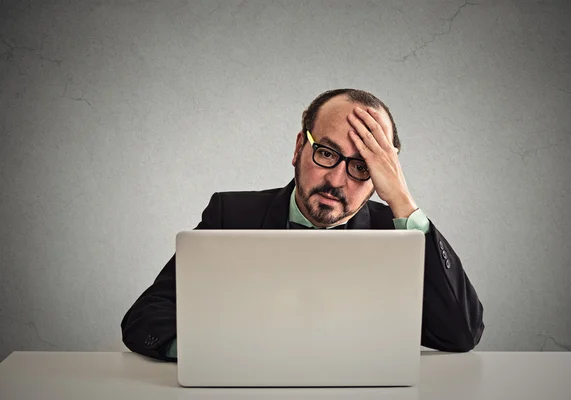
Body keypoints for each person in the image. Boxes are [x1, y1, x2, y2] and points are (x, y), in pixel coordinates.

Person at [121, 88, 485, 361]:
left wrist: (402, 201)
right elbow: (144, 318)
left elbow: (462, 333)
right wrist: (216, 353)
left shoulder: (396, 233)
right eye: (326, 153)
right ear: (299, 147)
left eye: (362, 167)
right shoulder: (229, 215)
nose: (338, 180)